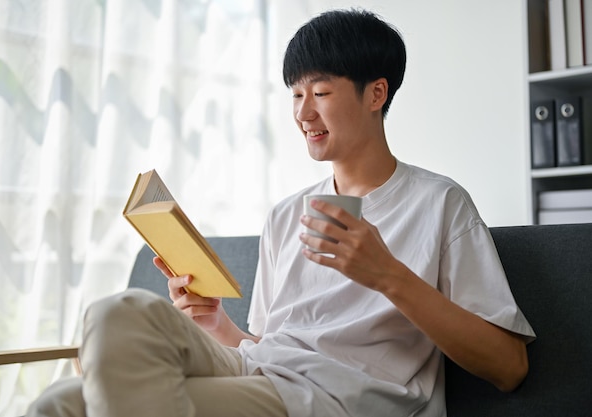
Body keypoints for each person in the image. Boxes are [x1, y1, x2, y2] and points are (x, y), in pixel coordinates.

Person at [27, 8, 535, 417]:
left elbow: (509, 367)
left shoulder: (439, 204)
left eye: (320, 92)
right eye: (295, 94)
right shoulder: (286, 214)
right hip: (267, 373)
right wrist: (216, 321)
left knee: (72, 406)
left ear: (376, 93)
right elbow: (269, 345)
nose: (303, 113)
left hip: (345, 399)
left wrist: (387, 275)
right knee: (115, 320)